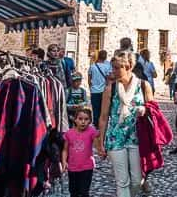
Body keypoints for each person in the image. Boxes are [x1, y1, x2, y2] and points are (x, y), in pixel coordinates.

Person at [97, 51, 153, 197]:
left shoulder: (143, 86)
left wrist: (145, 109)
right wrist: (100, 142)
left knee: (136, 180)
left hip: (136, 138)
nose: (113, 71)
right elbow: (103, 117)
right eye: (113, 67)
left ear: (128, 66)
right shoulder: (111, 88)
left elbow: (154, 111)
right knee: (122, 182)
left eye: (117, 68)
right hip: (115, 138)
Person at [62, 108, 99, 197]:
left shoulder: (91, 131)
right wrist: (64, 161)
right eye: (80, 119)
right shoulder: (69, 134)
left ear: (90, 121)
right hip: (72, 168)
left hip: (87, 167)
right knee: (73, 191)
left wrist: (101, 150)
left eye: (86, 119)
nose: (83, 122)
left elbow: (97, 143)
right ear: (75, 120)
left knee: (84, 191)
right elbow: (65, 149)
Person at [88, 50, 112, 127]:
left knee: (95, 110)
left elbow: (89, 80)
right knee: (103, 110)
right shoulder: (107, 67)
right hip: (103, 91)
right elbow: (108, 80)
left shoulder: (92, 66)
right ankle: (103, 127)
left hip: (94, 91)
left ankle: (96, 126)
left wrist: (91, 88)